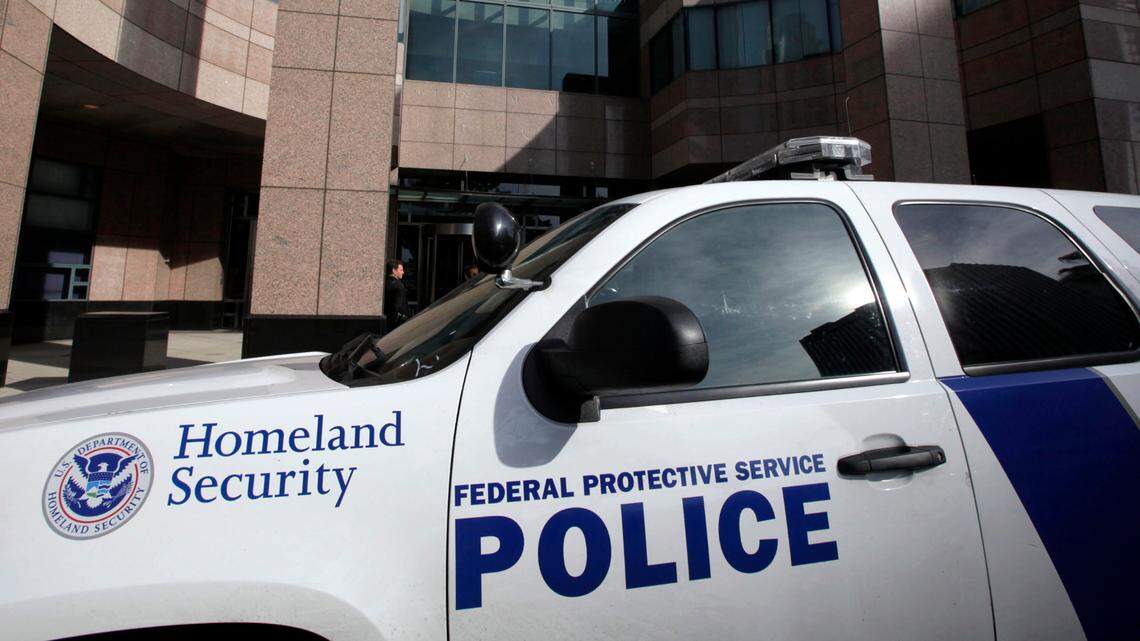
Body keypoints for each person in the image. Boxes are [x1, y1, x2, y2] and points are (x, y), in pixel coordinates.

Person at [384, 259, 411, 331]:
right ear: (394, 271)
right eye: (401, 270)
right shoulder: (399, 285)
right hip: (398, 324)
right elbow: (397, 307)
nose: (403, 272)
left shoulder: (385, 283)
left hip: (387, 322)